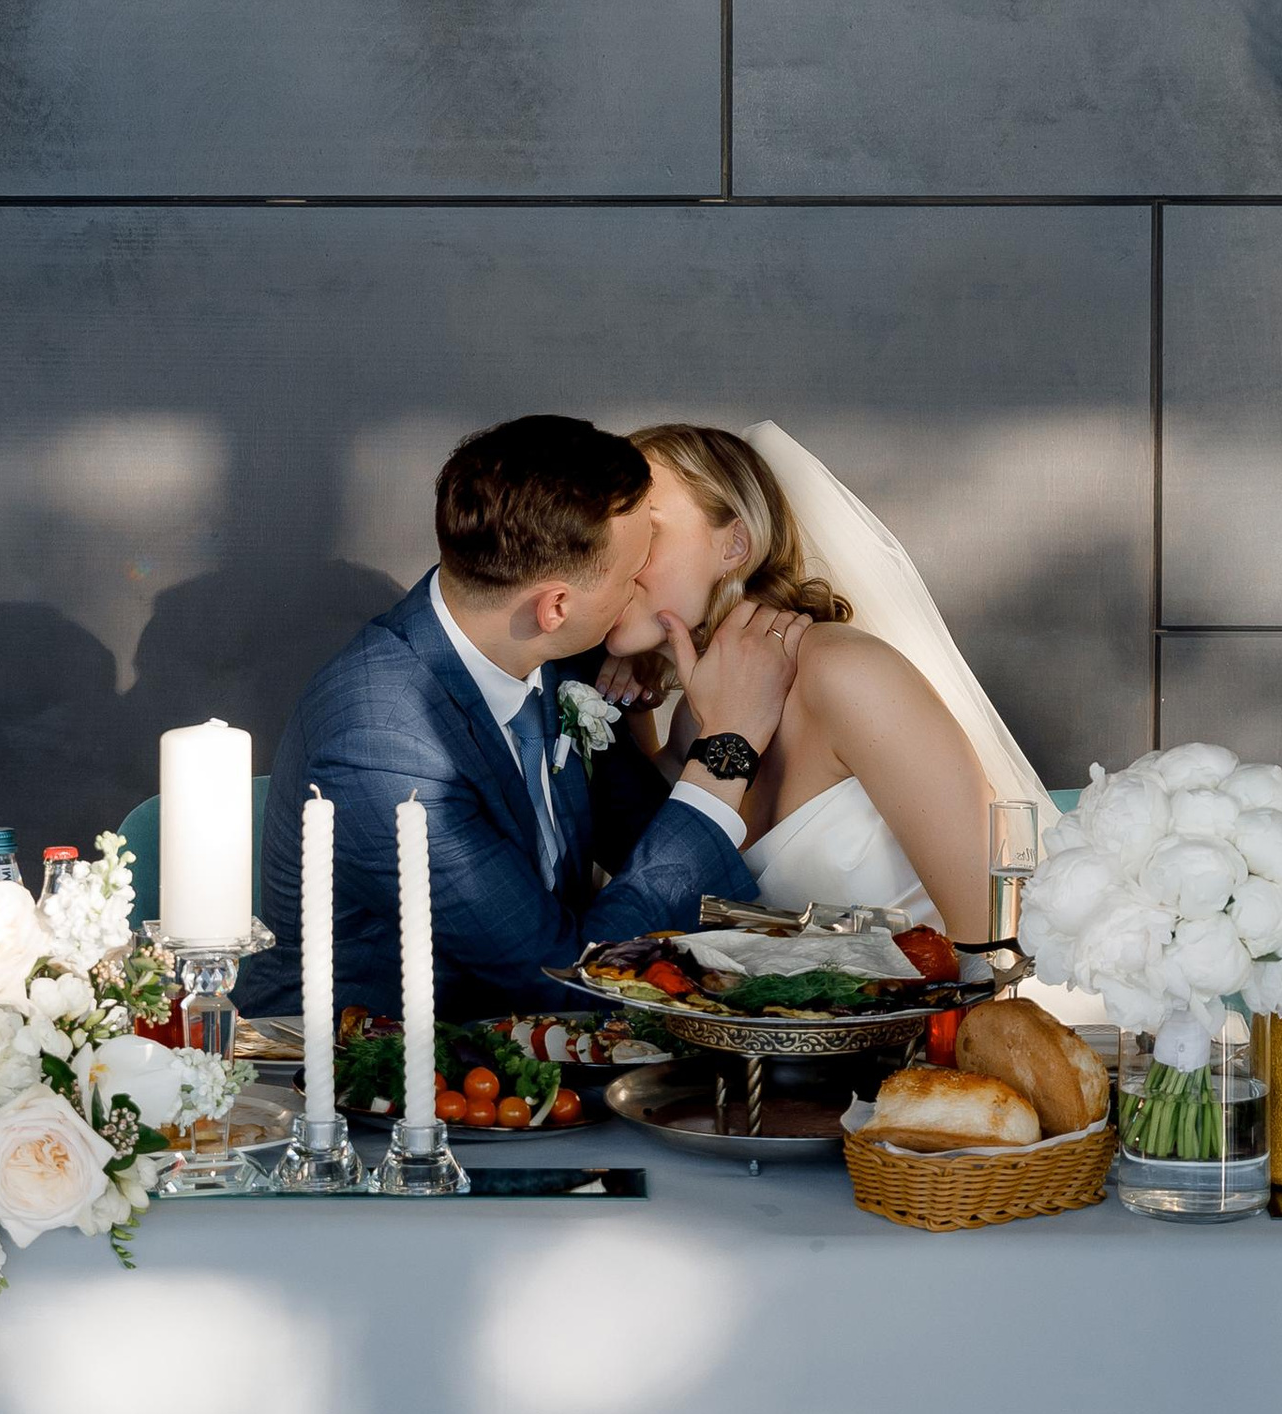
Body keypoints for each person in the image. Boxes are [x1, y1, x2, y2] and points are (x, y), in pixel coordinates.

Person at [256, 415, 811, 1007]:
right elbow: (560, 976)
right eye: (631, 573)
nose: (641, 584)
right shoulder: (384, 745)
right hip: (377, 1066)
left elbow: (654, 853)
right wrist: (728, 746)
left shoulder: (557, 656)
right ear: (556, 607)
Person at [598, 422, 1060, 945]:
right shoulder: (697, 716)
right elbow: (655, 884)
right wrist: (632, 703)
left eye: (647, 531)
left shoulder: (845, 674)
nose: (610, 560)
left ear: (735, 545)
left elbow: (994, 937)